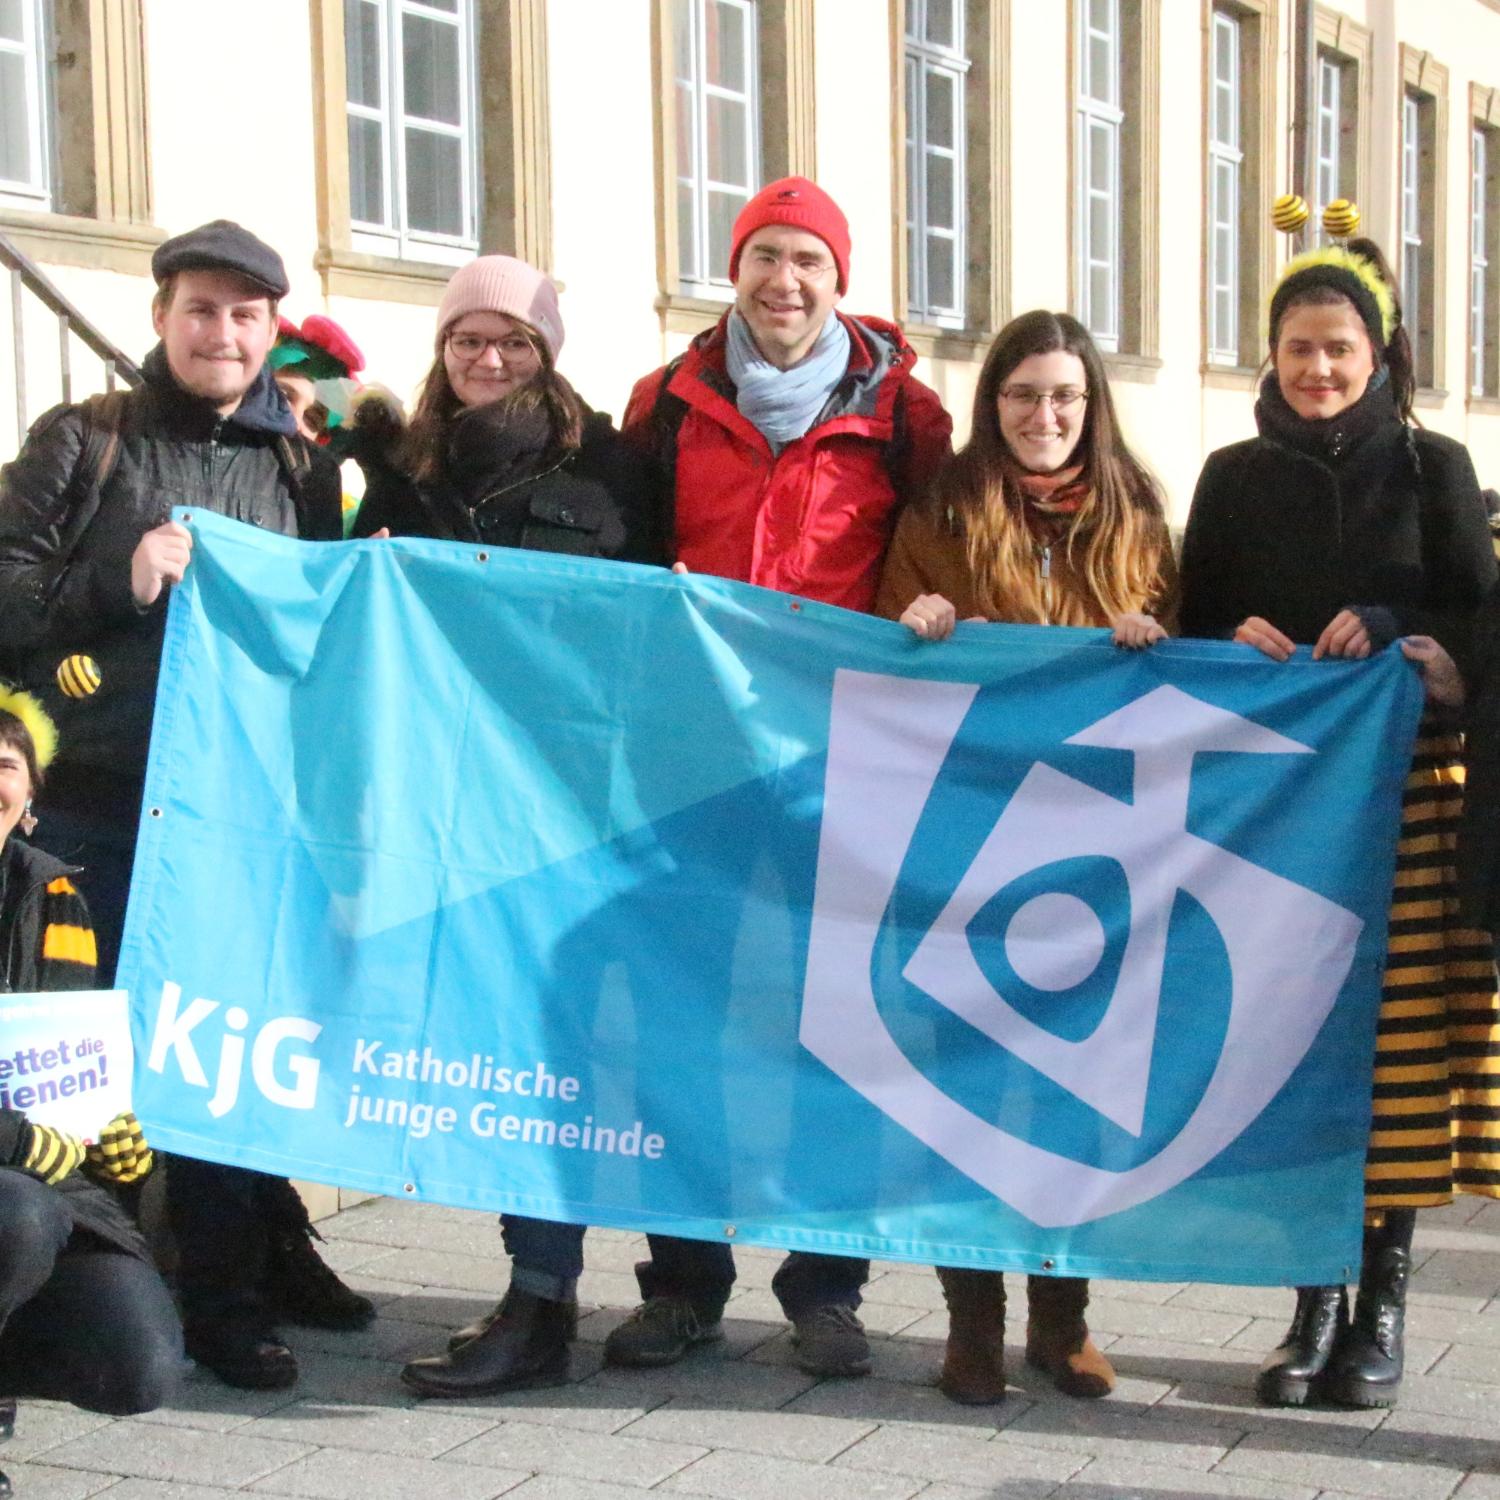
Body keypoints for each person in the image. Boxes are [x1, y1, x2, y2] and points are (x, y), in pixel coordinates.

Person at [0, 219, 371, 1393]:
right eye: (201, 309)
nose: (222, 332)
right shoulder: (82, 441)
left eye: (246, 315)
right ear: (163, 318)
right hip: (90, 812)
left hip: (231, 814)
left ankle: (224, 1298)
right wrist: (120, 577)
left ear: (273, 334)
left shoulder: (303, 467)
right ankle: (72, 1281)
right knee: (72, 1055)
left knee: (214, 1058)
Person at [612, 175, 952, 1378]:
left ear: (840, 278)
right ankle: (684, 1279)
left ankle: (825, 1284)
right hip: (692, 764)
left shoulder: (908, 418)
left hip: (839, 763)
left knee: (834, 1027)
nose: (784, 282)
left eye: (808, 260)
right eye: (764, 257)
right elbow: (624, 568)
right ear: (734, 268)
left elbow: (939, 556)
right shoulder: (664, 404)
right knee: (679, 1025)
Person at [1180, 239, 1499, 1410]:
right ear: (1271, 354)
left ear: (1378, 356)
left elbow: (1476, 617)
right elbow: (1194, 624)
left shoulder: (1437, 467)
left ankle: (1388, 1300)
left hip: (1410, 802)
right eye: (1300, 347)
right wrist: (1238, 644)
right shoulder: (1229, 474)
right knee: (1298, 1049)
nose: (1320, 368)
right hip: (1279, 817)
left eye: (1341, 348)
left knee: (1398, 1059)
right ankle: (1312, 1300)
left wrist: (1414, 637)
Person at [348, 253, 664, 1399]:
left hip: (577, 805)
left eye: (514, 341)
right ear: (441, 352)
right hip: (447, 797)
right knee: (492, 1043)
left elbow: (660, 613)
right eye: (467, 339)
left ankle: (543, 1300)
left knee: (556, 1045)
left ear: (548, 354)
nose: (489, 359)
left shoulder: (613, 462)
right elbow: (352, 596)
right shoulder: (402, 464)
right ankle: (533, 1296)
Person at [875, 308, 1175, 1405]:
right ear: (993, 402)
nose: (1044, 416)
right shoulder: (945, 508)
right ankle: (972, 1319)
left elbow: (1182, 669)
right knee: (967, 1083)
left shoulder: (1136, 513)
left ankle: (1064, 1316)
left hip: (1095, 839)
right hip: (967, 831)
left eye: (1064, 397)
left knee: (1077, 1088)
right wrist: (917, 618)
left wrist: (1151, 632)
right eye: (1021, 395)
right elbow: (882, 640)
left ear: (1091, 406)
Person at [0, 689, 181, 1499]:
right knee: (19, 1213)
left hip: (44, 1182)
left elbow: (73, 1066)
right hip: (16, 1188)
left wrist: (118, 1146)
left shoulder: (56, 896)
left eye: (6, 765)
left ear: (31, 796)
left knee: (138, 1365)